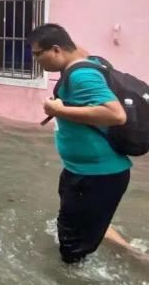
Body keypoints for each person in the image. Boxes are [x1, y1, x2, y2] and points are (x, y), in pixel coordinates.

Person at [28, 23, 143, 264]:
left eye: (37, 53)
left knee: (71, 251)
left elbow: (115, 114)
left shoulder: (82, 74)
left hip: (96, 175)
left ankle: (128, 260)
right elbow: (80, 50)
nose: (35, 59)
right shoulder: (81, 61)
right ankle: (129, 251)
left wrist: (59, 109)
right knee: (81, 223)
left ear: (57, 49)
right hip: (83, 172)